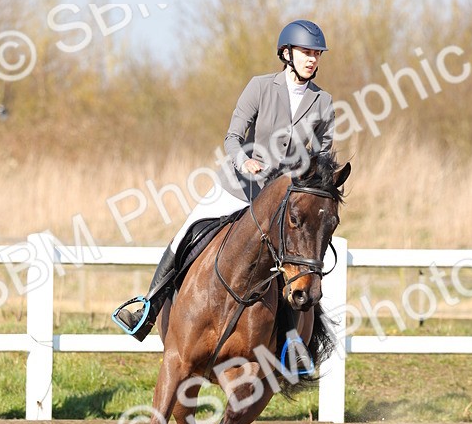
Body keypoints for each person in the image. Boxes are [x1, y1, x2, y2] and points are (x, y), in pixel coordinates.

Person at [112, 19, 335, 341]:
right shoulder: (260, 86)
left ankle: (294, 344)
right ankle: (148, 307)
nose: (312, 59)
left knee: (296, 262)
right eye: (305, 52)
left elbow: (323, 155)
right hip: (239, 188)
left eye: (317, 53)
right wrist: (243, 160)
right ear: (286, 53)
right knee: (186, 234)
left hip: (282, 201)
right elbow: (233, 136)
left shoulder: (322, 101)